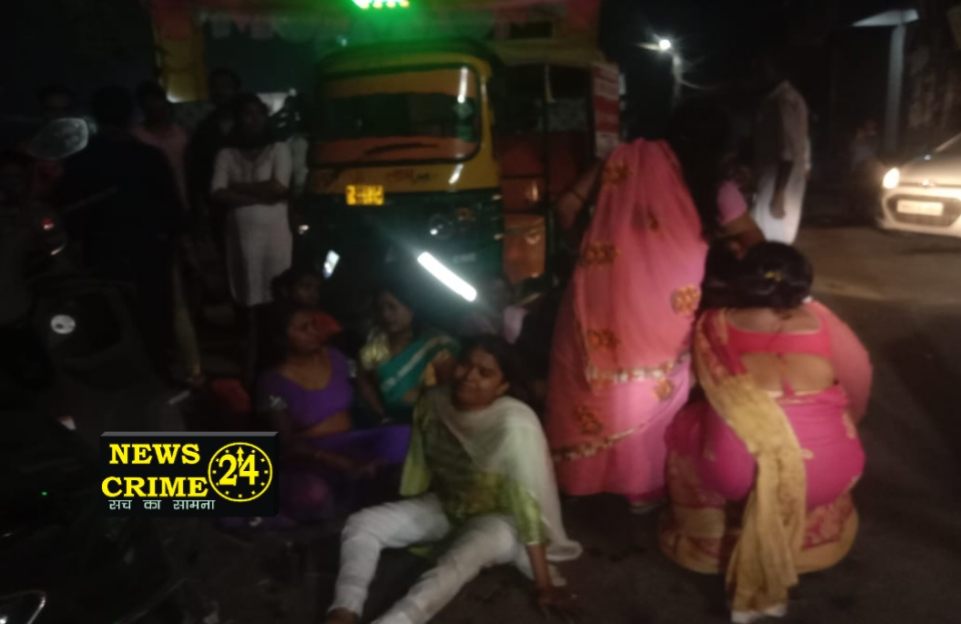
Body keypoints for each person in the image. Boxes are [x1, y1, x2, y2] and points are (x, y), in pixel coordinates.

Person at [545, 99, 764, 511]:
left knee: (591, 382)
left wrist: (587, 250)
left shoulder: (622, 159)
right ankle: (640, 489)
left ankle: (580, 480)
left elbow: (566, 207)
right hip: (667, 311)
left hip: (601, 298)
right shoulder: (716, 187)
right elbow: (754, 241)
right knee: (653, 390)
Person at [659, 243, 871, 624]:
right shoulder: (823, 321)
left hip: (735, 475)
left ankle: (710, 540)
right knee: (817, 435)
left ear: (743, 282)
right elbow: (859, 381)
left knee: (686, 425)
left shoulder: (714, 324)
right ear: (802, 284)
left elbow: (687, 381)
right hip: (830, 472)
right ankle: (808, 544)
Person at [325, 336, 582, 624]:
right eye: (465, 365)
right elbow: (423, 461)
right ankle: (343, 611)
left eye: (485, 373)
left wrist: (544, 584)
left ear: (502, 387)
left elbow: (526, 502)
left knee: (455, 563)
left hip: (502, 519)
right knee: (362, 524)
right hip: (449, 503)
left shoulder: (514, 423)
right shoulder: (435, 401)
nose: (470, 376)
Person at [58, 86, 181, 376]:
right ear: (130, 115)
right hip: (148, 249)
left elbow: (71, 214)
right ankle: (161, 371)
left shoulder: (80, 161)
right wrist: (169, 240)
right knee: (154, 314)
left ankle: (125, 375)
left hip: (103, 251)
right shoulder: (148, 156)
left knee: (113, 318)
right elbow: (172, 209)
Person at [256, 304, 411, 522]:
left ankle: (365, 487)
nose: (314, 332)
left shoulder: (336, 358)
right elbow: (287, 443)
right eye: (303, 328)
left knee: (402, 435)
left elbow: (362, 384)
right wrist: (338, 461)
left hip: (351, 442)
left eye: (314, 324)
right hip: (311, 455)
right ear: (281, 338)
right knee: (313, 495)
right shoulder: (273, 382)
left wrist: (382, 417)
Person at [133, 81, 203, 386]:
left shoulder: (180, 135)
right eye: (149, 103)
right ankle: (183, 355)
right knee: (173, 291)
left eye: (159, 102)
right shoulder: (138, 138)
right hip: (159, 222)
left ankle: (192, 337)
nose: (156, 108)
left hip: (186, 212)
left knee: (193, 278)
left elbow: (193, 173)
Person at [357, 275, 459, 424]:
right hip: (392, 424)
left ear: (411, 308)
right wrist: (382, 416)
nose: (385, 315)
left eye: (392, 307)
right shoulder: (375, 349)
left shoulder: (437, 344)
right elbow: (363, 382)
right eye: (381, 309)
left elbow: (447, 391)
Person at [750, 53, 810, 244]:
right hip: (776, 180)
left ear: (775, 71)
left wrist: (779, 194)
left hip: (778, 181)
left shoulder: (783, 100)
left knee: (771, 237)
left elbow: (788, 151)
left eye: (762, 69)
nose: (757, 74)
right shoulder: (779, 99)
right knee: (770, 236)